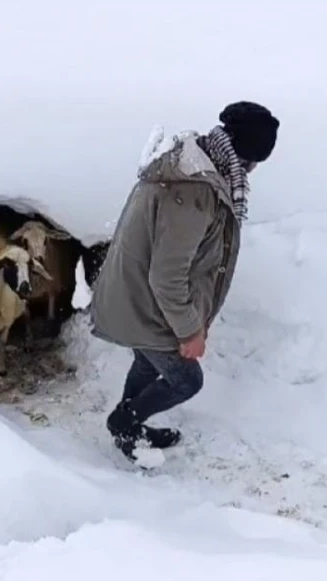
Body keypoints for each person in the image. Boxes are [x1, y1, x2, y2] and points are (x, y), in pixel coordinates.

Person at [88, 101, 279, 462]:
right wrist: (190, 330)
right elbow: (167, 275)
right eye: (255, 162)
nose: (253, 172)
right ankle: (124, 422)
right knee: (187, 380)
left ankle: (129, 430)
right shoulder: (195, 192)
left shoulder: (197, 164)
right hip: (146, 302)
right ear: (246, 156)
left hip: (137, 298)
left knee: (148, 362)